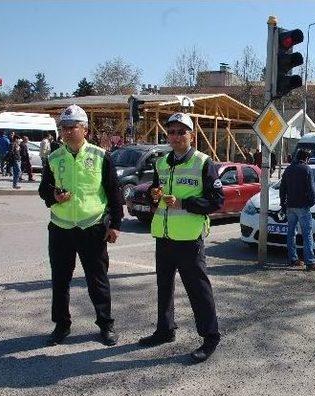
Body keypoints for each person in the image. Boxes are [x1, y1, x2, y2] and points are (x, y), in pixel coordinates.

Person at [138, 112, 224, 364]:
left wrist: (183, 203)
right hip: (163, 236)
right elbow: (155, 194)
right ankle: (165, 330)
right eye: (171, 132)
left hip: (189, 238)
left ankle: (210, 337)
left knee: (198, 290)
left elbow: (216, 201)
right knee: (164, 287)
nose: (175, 137)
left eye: (180, 132)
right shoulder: (162, 163)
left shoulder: (203, 162)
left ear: (191, 135)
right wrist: (154, 196)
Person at [38, 105, 123, 346]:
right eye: (63, 128)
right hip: (61, 229)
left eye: (71, 127)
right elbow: (44, 191)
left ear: (84, 129)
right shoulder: (54, 157)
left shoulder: (100, 156)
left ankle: (106, 325)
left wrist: (115, 224)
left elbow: (114, 193)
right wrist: (54, 196)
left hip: (92, 227)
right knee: (60, 280)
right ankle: (62, 325)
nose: (66, 132)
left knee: (97, 280)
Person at [279, 148, 315, 271]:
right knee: (307, 234)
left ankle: (293, 259)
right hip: (303, 207)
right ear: (306, 158)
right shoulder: (306, 169)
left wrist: (283, 203)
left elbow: (282, 188)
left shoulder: (288, 169)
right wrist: (311, 203)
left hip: (290, 206)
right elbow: (311, 189)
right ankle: (310, 262)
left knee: (291, 233)